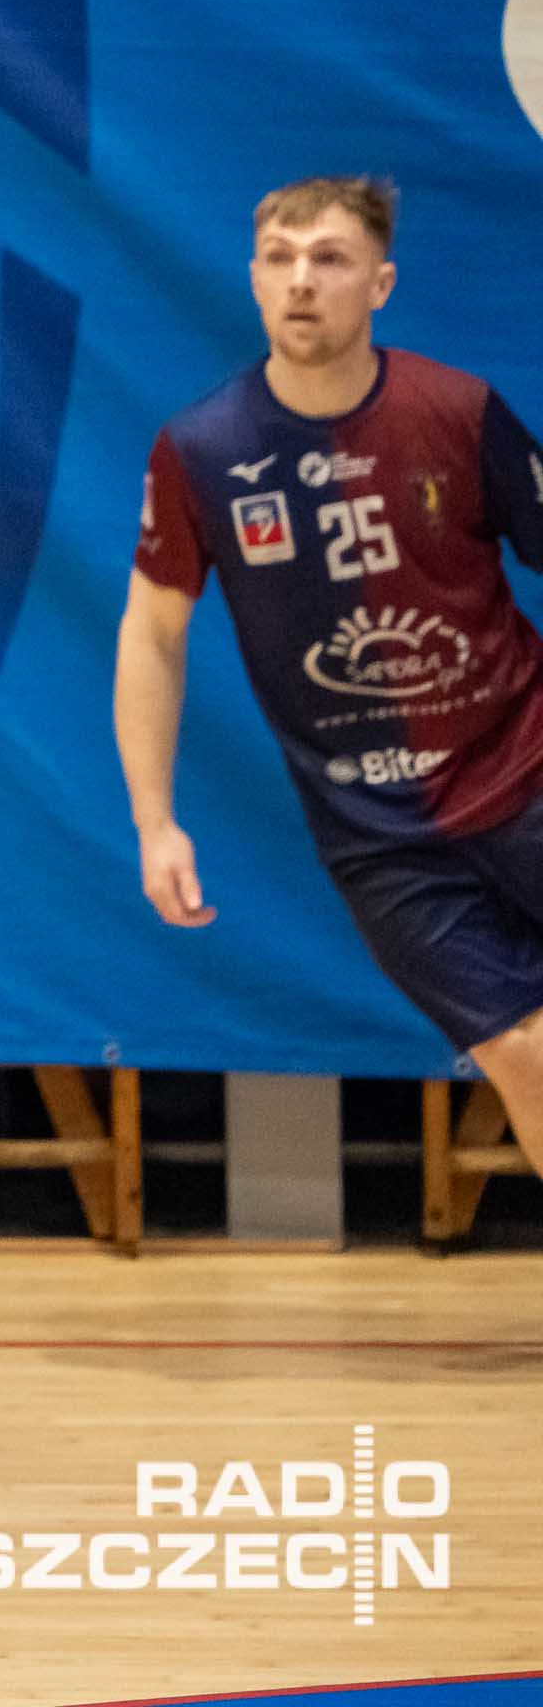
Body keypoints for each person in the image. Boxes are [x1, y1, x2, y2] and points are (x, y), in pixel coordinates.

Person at [118, 175, 543, 1155]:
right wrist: (154, 822)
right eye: (280, 259)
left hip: (525, 773)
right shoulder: (202, 449)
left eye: (330, 258)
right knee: (523, 1053)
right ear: (254, 281)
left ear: (380, 284)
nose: (301, 280)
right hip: (379, 836)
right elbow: (151, 635)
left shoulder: (458, 410)